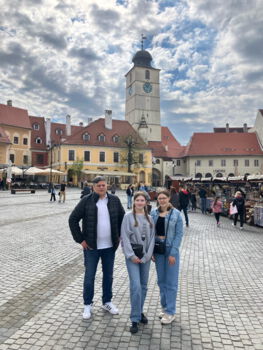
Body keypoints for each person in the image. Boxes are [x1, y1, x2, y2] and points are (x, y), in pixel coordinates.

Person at [68, 176, 125, 319]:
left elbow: (122, 218)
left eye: (103, 185)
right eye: (98, 185)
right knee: (89, 277)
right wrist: (80, 239)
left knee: (108, 276)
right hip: (92, 247)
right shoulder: (86, 201)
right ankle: (88, 304)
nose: (101, 187)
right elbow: (73, 219)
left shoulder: (114, 200)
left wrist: (119, 236)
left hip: (109, 247)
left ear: (107, 186)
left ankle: (107, 302)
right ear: (93, 187)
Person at [121, 191, 155, 334]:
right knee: (135, 286)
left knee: (144, 286)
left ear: (146, 203)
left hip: (145, 257)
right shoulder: (128, 217)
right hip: (133, 257)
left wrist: (147, 256)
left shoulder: (150, 218)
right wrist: (131, 255)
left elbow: (152, 238)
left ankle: (139, 311)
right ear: (134, 202)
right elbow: (124, 237)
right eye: (138, 200)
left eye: (143, 200)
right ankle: (134, 318)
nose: (140, 202)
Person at [151, 190, 184, 325]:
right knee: (161, 281)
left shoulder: (177, 214)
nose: (162, 200)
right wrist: (151, 250)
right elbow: (150, 232)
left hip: (170, 249)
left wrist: (173, 252)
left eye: (164, 198)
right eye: (160, 198)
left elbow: (179, 234)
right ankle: (165, 308)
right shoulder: (153, 213)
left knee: (171, 282)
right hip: (158, 249)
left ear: (169, 198)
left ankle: (170, 311)